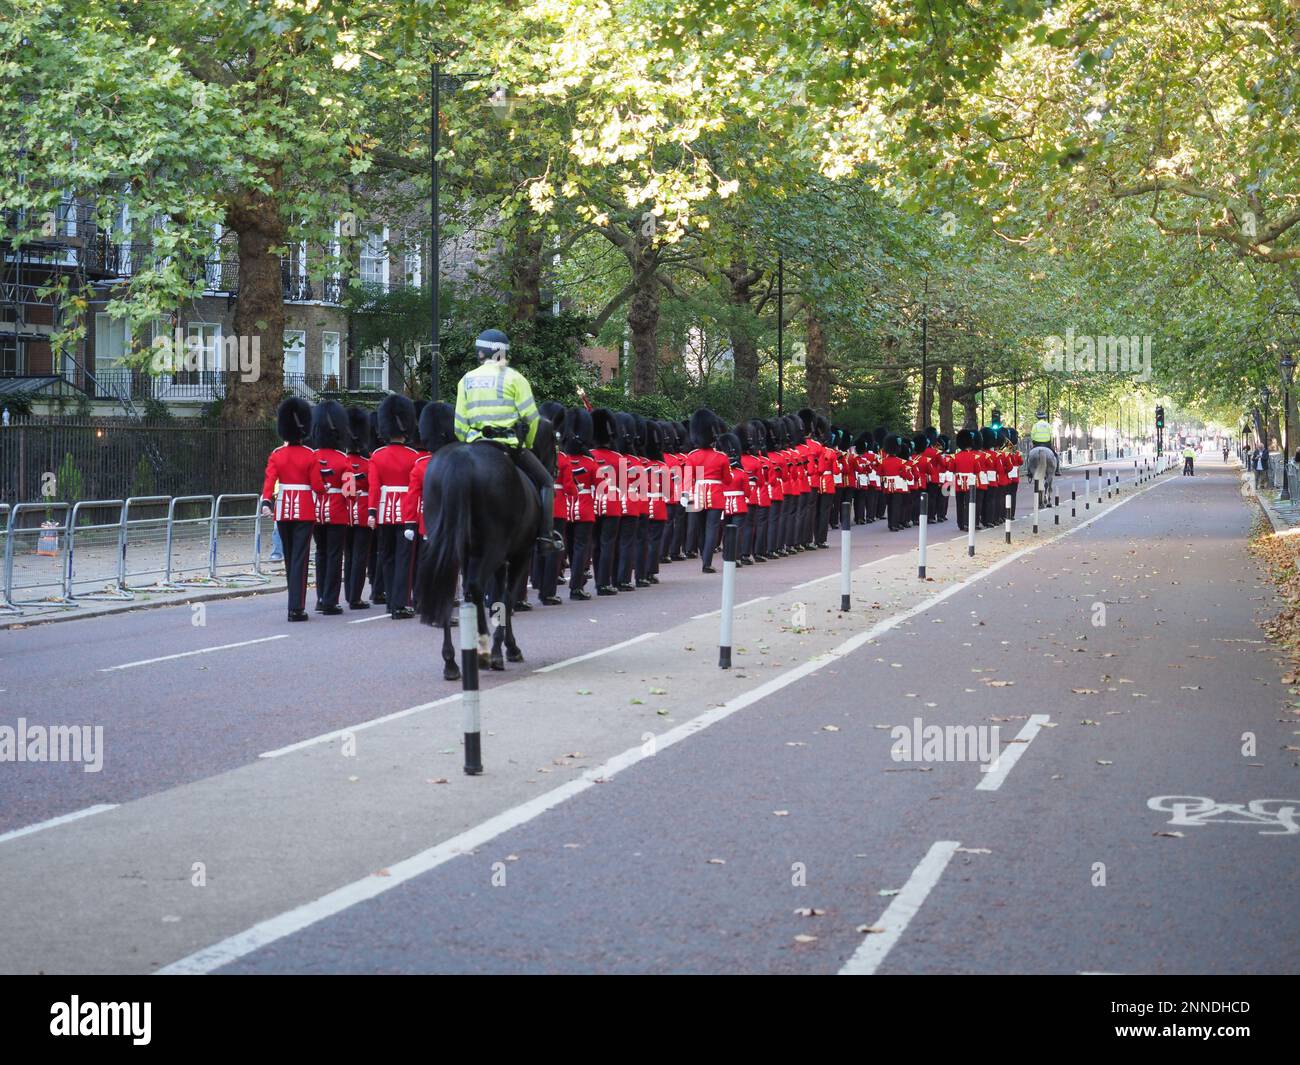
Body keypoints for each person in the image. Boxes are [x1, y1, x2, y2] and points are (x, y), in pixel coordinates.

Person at [452, 328, 565, 552]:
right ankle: (545, 537)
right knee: (546, 482)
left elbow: (458, 425)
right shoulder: (515, 378)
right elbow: (532, 419)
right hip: (509, 446)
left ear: (482, 352)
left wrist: (472, 440)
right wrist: (528, 444)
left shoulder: (466, 380)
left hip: (476, 447)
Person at [261, 397, 325, 622]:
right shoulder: (310, 455)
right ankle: (296, 608)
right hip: (305, 510)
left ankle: (292, 605)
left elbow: (269, 482)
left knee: (289, 558)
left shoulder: (277, 454)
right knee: (300, 558)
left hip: (284, 510)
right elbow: (317, 486)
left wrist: (266, 502)